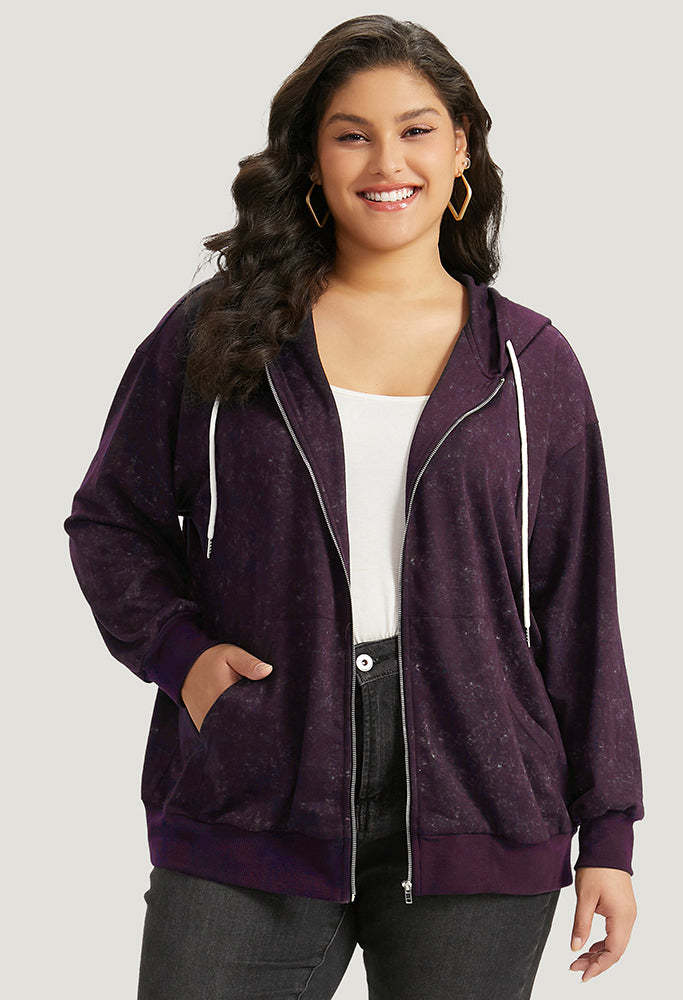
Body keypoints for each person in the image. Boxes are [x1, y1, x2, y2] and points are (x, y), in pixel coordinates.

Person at [63, 14, 645, 1000]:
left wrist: (611, 835)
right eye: (352, 135)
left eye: (416, 130)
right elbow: (111, 520)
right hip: (253, 788)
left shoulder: (528, 365)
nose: (387, 162)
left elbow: (578, 607)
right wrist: (183, 658)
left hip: (480, 804)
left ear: (461, 148)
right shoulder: (219, 333)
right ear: (312, 159)